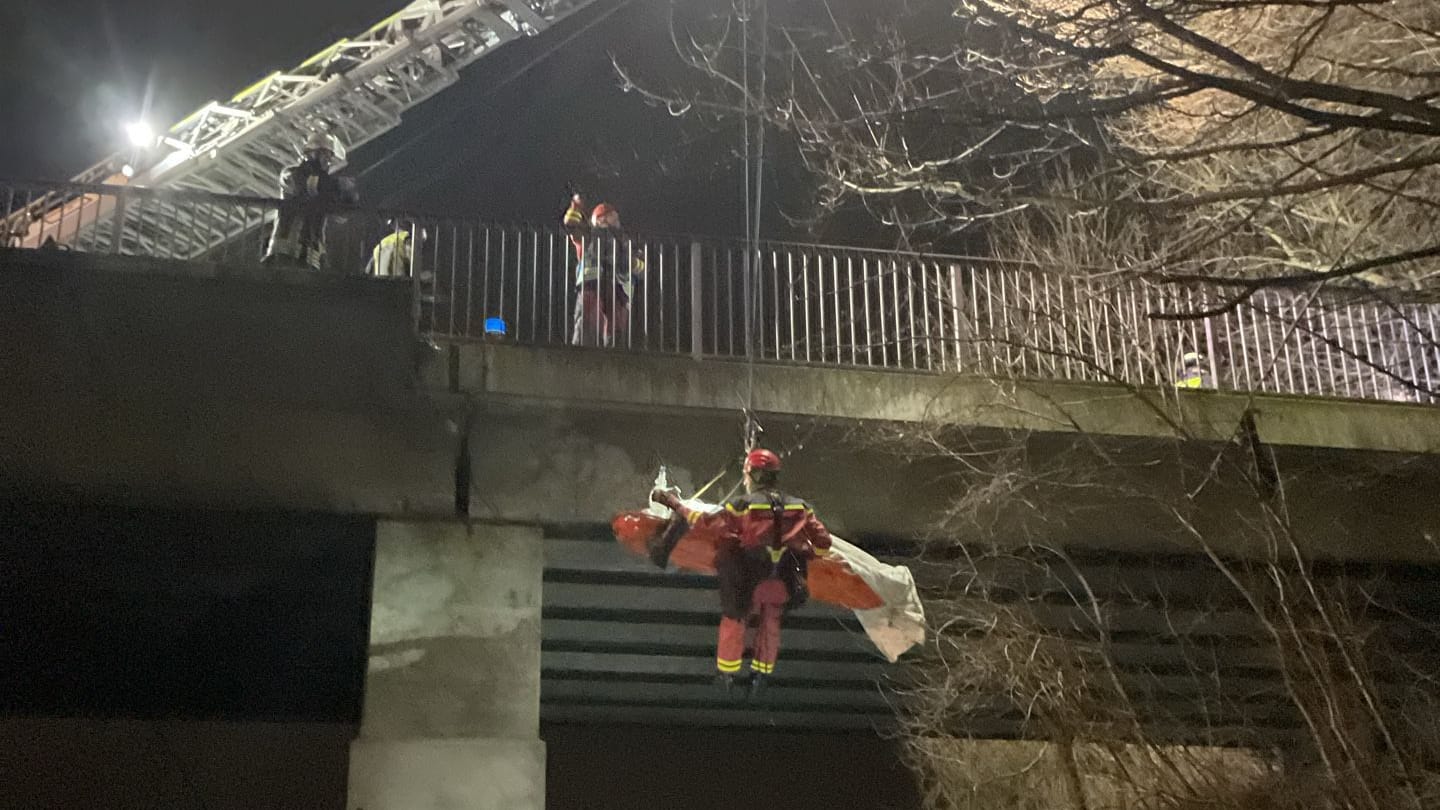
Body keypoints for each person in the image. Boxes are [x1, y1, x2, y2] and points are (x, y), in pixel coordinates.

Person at [650, 448, 833, 698]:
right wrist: (811, 554)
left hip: (749, 580)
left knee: (734, 622)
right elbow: (823, 542)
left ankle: (726, 676)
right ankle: (760, 678)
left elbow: (707, 522)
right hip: (784, 582)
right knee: (771, 625)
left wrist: (672, 503)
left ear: (753, 476)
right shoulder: (801, 507)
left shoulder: (743, 506)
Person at [263, 132, 358, 271]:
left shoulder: (326, 187)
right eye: (325, 155)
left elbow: (341, 215)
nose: (329, 161)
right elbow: (311, 186)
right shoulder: (290, 174)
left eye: (330, 157)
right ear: (311, 154)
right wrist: (338, 185)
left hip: (311, 261)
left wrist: (348, 195)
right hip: (284, 256)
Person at [562, 194, 645, 346]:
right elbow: (570, 224)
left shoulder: (624, 241)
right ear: (601, 219)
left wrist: (632, 262)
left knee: (616, 322)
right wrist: (575, 206)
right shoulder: (588, 235)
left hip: (617, 286)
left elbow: (641, 268)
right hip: (592, 283)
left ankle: (614, 351)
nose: (616, 220)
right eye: (612, 217)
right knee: (588, 318)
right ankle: (581, 352)